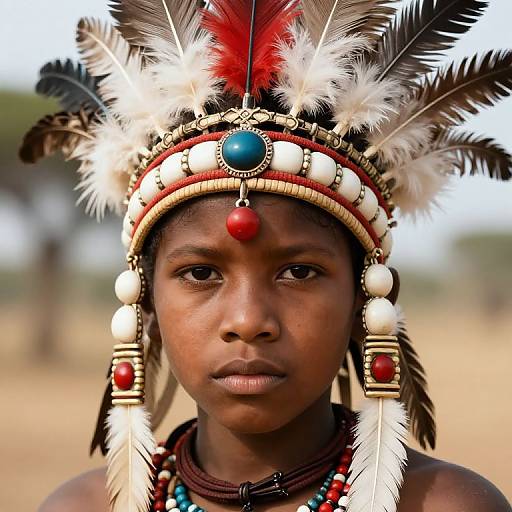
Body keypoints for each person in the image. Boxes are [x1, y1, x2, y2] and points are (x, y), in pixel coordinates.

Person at [20, 1, 512, 512]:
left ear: (367, 298)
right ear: (146, 303)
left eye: (299, 272)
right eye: (201, 273)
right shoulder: (83, 507)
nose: (248, 321)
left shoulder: (441, 505)